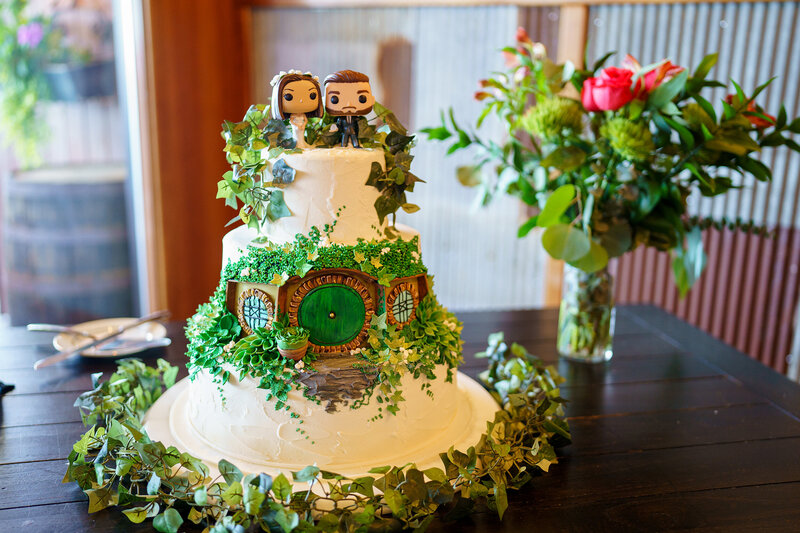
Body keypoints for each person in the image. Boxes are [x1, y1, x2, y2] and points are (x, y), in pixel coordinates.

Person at [270, 70, 323, 149]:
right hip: (296, 127)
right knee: (296, 136)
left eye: (312, 96)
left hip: (302, 127)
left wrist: (303, 125)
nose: (301, 100)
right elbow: (291, 121)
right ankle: (297, 145)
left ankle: (302, 144)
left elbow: (305, 120)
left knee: (301, 136)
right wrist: (297, 126)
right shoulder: (293, 115)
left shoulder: (303, 115)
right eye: (288, 96)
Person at [323, 70, 375, 148]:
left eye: (362, 98)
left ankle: (356, 145)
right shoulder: (341, 119)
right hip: (345, 130)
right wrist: (335, 127)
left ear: (372, 99)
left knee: (354, 138)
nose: (349, 105)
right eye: (335, 99)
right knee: (344, 138)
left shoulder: (357, 118)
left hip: (353, 130)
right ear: (324, 100)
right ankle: (343, 145)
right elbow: (338, 124)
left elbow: (359, 123)